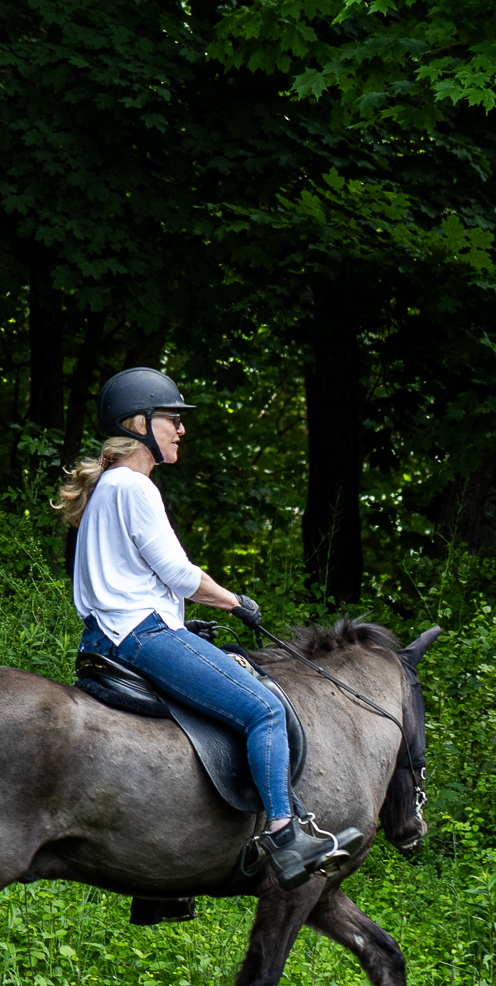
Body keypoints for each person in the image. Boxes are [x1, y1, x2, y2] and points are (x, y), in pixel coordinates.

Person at [59, 365, 344, 887]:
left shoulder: (108, 488)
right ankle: (284, 835)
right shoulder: (135, 488)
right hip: (143, 636)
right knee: (263, 708)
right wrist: (236, 603)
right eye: (171, 419)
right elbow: (179, 575)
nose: (180, 430)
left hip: (113, 634)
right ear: (138, 423)